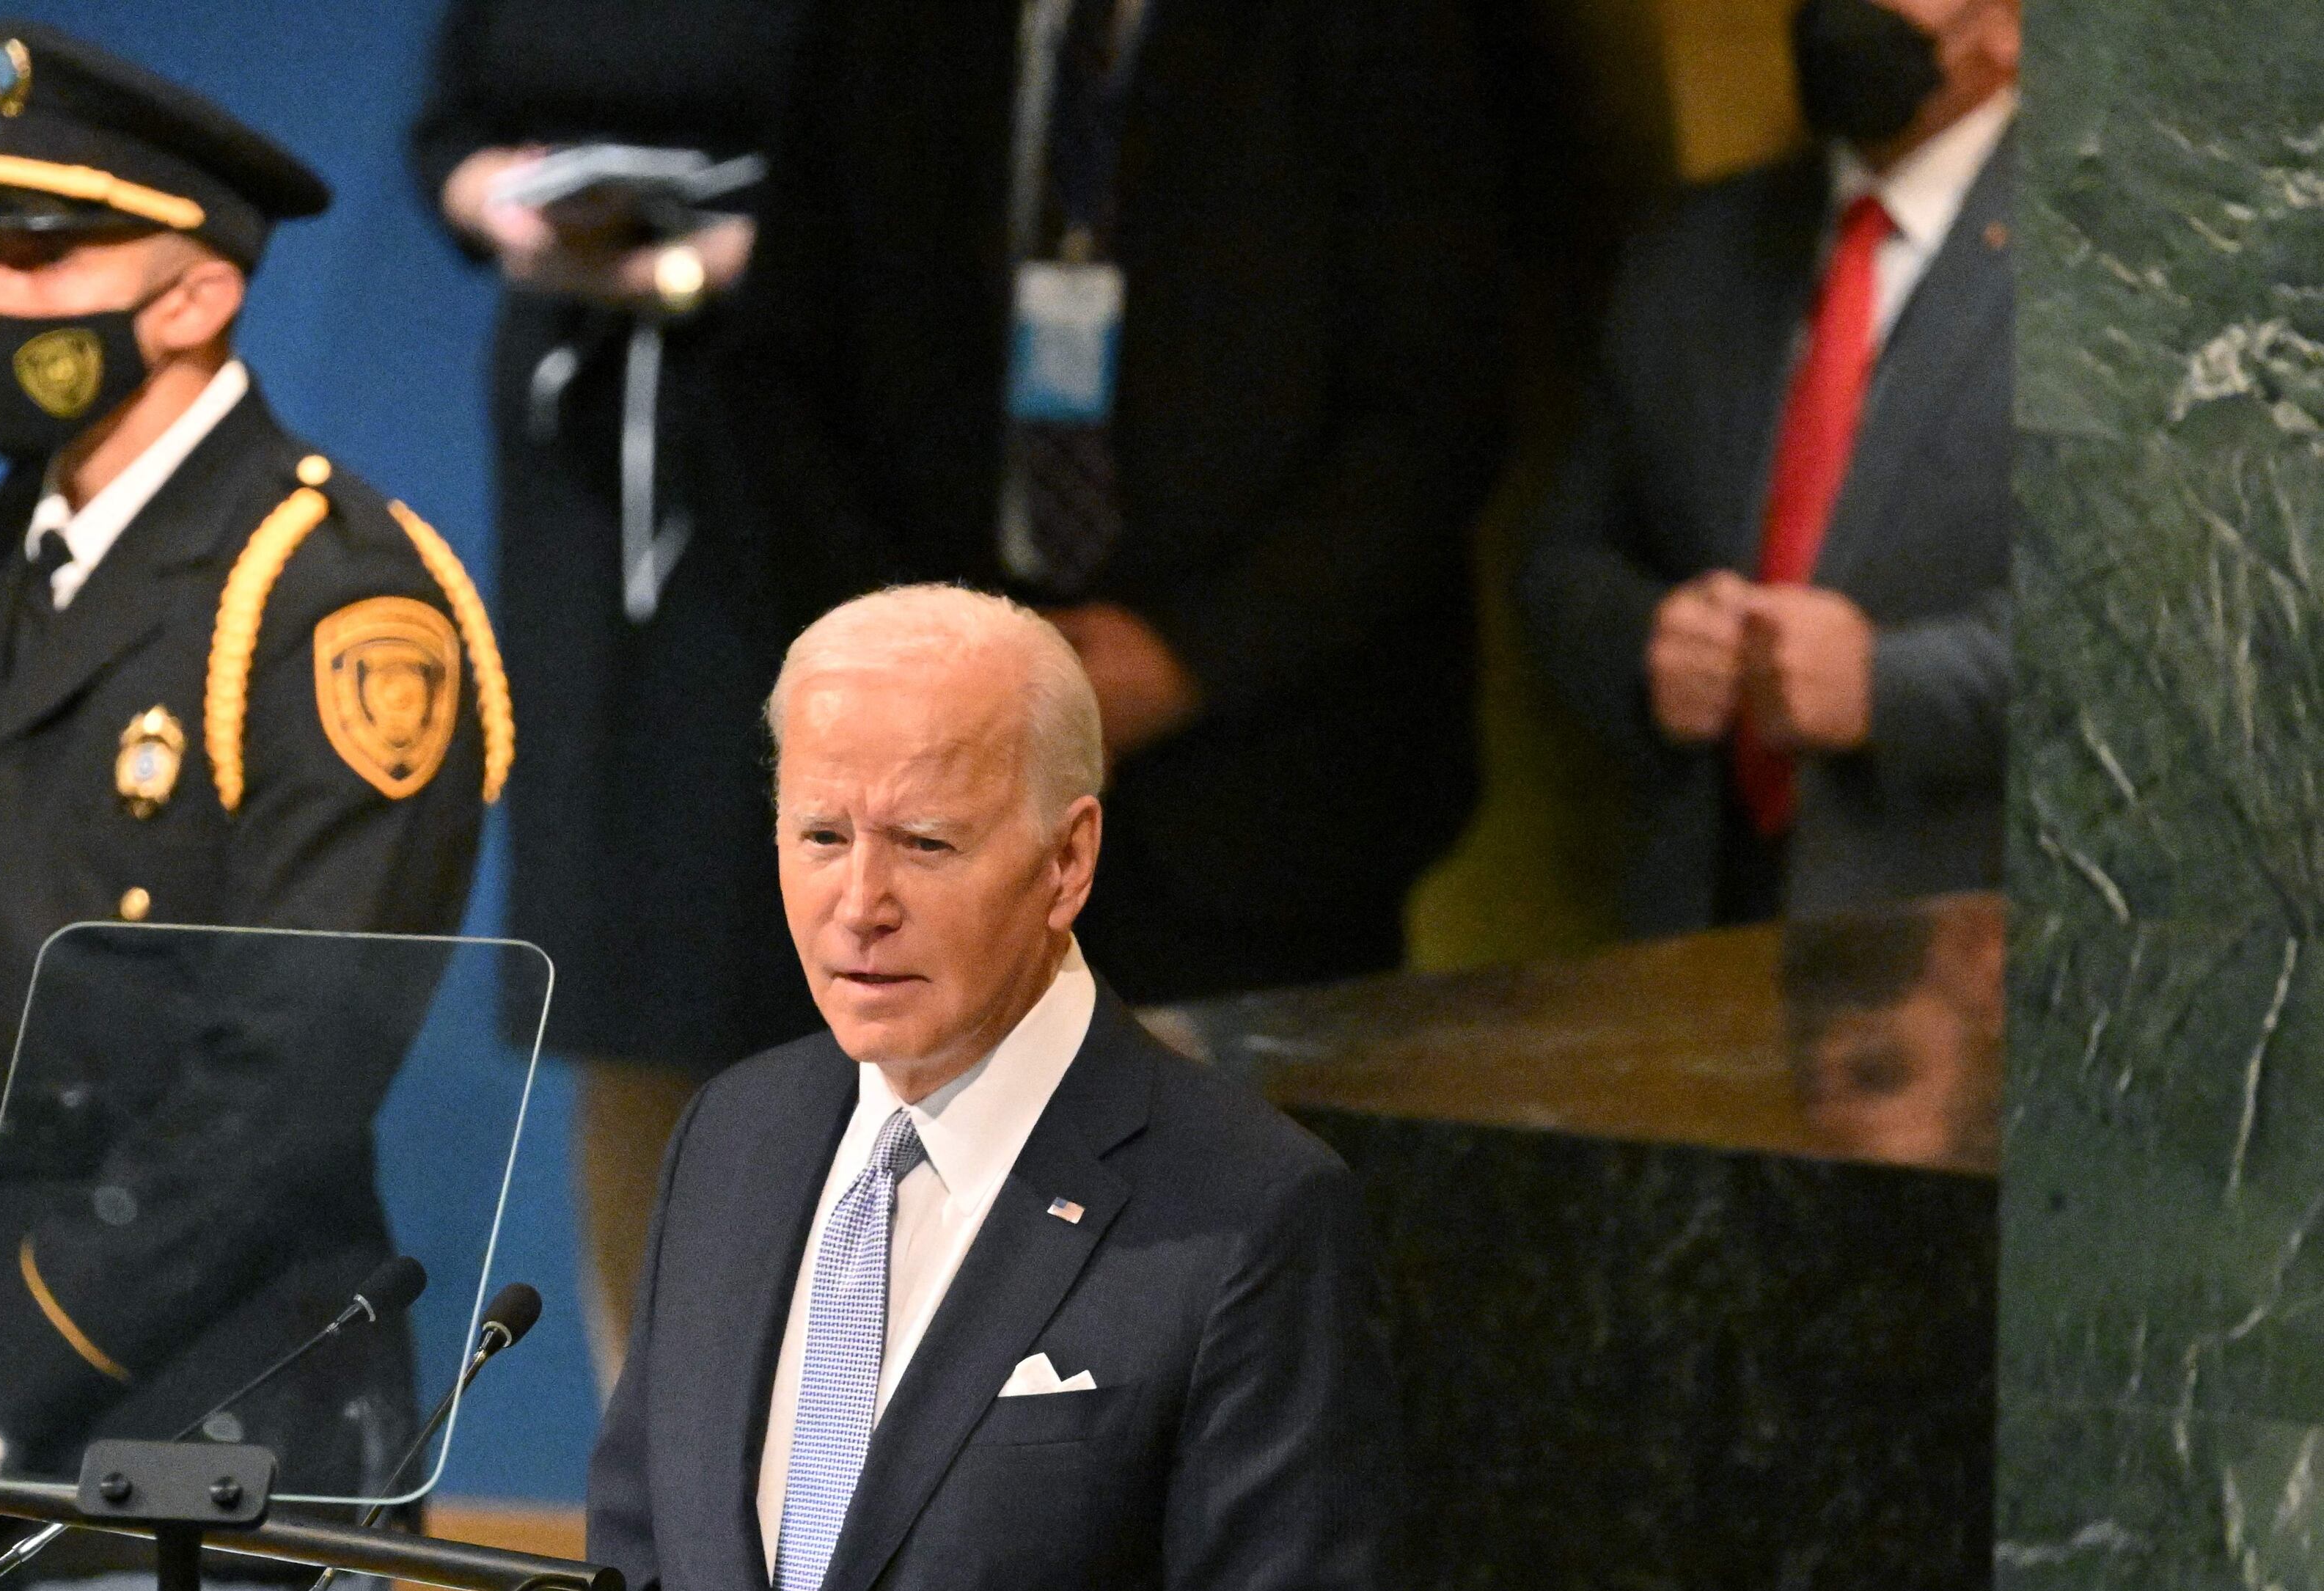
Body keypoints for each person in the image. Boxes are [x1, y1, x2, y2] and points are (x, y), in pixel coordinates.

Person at [0, 21, 504, 1591]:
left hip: (200, 1437)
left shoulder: (334, 598)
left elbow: (290, 1075)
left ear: (192, 297)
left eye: (43, 256)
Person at [495, 587, 1396, 1591]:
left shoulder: (1248, 1210)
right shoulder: (735, 1133)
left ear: (1069, 860)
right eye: (818, 834)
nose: (860, 902)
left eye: (925, 841)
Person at [728, 0, 1508, 1006]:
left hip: (1268, 791)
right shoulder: (884, 29)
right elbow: (778, 381)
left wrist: (1186, 659)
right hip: (931, 799)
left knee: (1245, 1158)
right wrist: (923, 666)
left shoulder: (1379, 31)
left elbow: (1438, 406)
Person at [410, 0, 813, 1389]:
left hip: (801, 424)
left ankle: (877, 1521)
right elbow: (448, 133)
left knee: (834, 943)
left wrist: (710, 271)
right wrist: (511, 213)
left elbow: (926, 171)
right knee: (623, 970)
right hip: (578, 447)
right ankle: (651, 1511)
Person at [1522, 0, 2017, 932]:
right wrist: (1646, 644)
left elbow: (2178, 639)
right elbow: (1563, 560)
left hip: (1981, 952)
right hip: (1705, 933)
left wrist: (1890, 685)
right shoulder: (1692, 249)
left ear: (2012, 26)